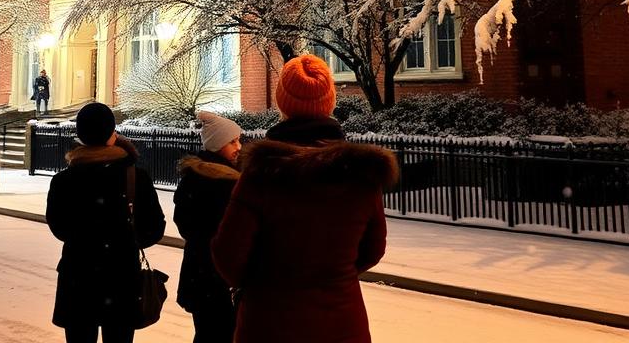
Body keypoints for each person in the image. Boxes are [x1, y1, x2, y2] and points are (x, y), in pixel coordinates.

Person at [212, 55, 398, 343]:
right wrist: (334, 275)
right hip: (342, 324)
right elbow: (373, 248)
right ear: (330, 101)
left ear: (283, 103)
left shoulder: (263, 173)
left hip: (270, 324)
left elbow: (228, 254)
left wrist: (263, 284)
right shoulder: (360, 174)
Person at [46, 101, 166, 343]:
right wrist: (125, 240)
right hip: (121, 277)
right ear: (112, 135)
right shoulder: (135, 177)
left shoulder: (64, 181)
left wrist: (87, 239)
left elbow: (59, 227)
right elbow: (154, 227)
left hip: (78, 278)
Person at [173, 111, 243, 343]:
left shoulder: (193, 179)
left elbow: (185, 225)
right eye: (232, 141)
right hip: (219, 276)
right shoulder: (226, 182)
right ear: (217, 144)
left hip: (200, 275)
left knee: (206, 332)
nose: (239, 146)